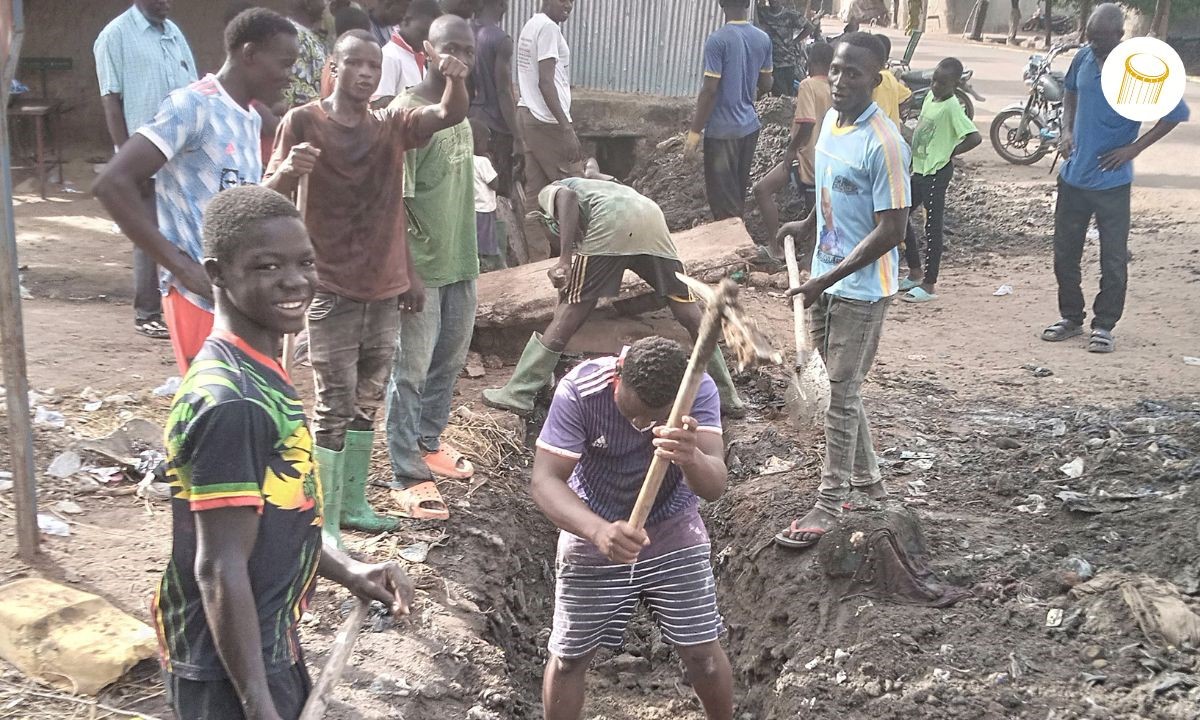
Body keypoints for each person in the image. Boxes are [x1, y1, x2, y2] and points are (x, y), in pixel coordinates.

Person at [152, 185, 415, 720]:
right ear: (217, 273)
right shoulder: (234, 403)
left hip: (264, 639)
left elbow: (278, 513)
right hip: (226, 668)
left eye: (305, 262)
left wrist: (349, 569)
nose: (295, 280)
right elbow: (219, 566)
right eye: (268, 266)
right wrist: (258, 705)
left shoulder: (258, 370)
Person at [264, 30, 469, 544]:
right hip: (330, 285)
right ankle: (323, 521)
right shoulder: (304, 122)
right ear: (333, 68)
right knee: (333, 403)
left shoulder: (390, 125)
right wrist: (288, 169)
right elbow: (266, 198)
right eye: (354, 63)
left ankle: (352, 504)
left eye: (373, 66)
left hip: (382, 289)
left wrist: (454, 79)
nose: (364, 74)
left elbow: (448, 114)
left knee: (367, 400)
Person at [94, 8, 314, 374]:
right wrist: (180, 265)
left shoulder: (249, 116)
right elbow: (111, 183)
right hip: (198, 297)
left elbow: (236, 202)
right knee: (219, 397)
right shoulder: (192, 106)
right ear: (250, 54)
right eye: (284, 64)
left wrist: (286, 175)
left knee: (252, 397)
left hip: (237, 296)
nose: (288, 76)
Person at [532, 336, 734, 720]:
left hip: (673, 531)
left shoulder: (696, 389)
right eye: (634, 412)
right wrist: (598, 532)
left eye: (653, 417)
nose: (641, 425)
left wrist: (691, 457)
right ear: (619, 373)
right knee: (569, 660)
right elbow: (545, 480)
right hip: (593, 530)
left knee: (703, 658)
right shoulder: (580, 390)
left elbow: (714, 486)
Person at [772, 33, 911, 550]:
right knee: (841, 389)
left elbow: (892, 230)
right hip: (825, 278)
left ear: (876, 79)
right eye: (836, 68)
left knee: (839, 395)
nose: (841, 80)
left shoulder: (886, 144)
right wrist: (808, 224)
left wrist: (825, 280)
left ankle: (830, 504)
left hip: (862, 290)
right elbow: (829, 188)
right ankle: (871, 485)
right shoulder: (831, 120)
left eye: (854, 73)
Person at [482, 169, 747, 417]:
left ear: (550, 222)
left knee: (569, 315)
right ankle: (726, 395)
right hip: (652, 219)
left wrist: (565, 259)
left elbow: (568, 198)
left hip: (611, 224)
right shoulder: (604, 188)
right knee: (690, 315)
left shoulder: (552, 191)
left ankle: (520, 393)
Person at [1042, 3, 1189, 353]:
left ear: (1120, 36)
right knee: (1065, 254)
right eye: (1090, 37)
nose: (1093, 44)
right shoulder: (1083, 57)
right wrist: (1066, 130)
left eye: (1100, 39)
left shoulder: (1138, 67)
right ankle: (1071, 317)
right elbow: (1071, 92)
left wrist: (1133, 149)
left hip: (1112, 182)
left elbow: (1175, 113)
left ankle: (1104, 325)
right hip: (1074, 177)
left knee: (1113, 259)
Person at [385, 15, 479, 520]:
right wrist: (407, 273)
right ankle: (405, 472)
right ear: (426, 48)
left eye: (467, 50)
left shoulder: (456, 108)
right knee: (410, 369)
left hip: (460, 258)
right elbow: (393, 203)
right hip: (421, 266)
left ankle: (428, 441)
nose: (459, 58)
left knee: (449, 357)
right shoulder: (407, 116)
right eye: (450, 48)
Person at [94, 0, 198, 342]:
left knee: (183, 230)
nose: (167, 2)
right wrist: (125, 161)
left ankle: (184, 305)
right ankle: (148, 313)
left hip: (181, 155)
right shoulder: (115, 36)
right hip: (144, 155)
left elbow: (193, 89)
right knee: (147, 231)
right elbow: (111, 101)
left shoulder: (173, 33)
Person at [899, 57, 980, 303]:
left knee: (932, 229)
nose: (936, 86)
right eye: (934, 80)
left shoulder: (952, 107)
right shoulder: (930, 99)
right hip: (920, 170)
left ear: (955, 85)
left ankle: (929, 285)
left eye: (942, 83)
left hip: (936, 172)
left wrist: (950, 152)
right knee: (901, 214)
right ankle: (915, 271)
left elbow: (974, 137)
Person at [685, 0, 773, 221]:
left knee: (724, 204)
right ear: (747, 4)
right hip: (749, 128)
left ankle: (733, 239)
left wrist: (694, 133)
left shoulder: (717, 40)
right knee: (736, 195)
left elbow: (709, 91)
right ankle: (736, 233)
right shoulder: (763, 39)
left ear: (721, 4)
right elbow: (766, 83)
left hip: (722, 133)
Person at [516, 0, 584, 257]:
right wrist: (566, 128)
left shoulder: (532, 25)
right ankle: (579, 259)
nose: (568, 5)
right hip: (548, 122)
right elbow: (546, 82)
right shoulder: (548, 29)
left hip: (529, 113)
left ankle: (538, 260)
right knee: (577, 189)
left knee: (535, 194)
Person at [750, 41, 833, 246]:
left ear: (810, 62)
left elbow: (807, 122)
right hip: (826, 161)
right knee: (820, 216)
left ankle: (775, 246)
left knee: (762, 190)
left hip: (806, 157)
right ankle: (803, 253)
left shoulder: (808, 85)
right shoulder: (835, 87)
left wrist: (791, 149)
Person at [471, 0, 526, 203]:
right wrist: (518, 137)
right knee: (499, 193)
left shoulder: (464, 32)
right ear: (501, 5)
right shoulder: (501, 40)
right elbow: (503, 91)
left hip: (470, 120)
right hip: (495, 127)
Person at [372, 0, 441, 103]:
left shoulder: (420, 60)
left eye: (431, 36)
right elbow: (378, 104)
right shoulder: (389, 57)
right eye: (424, 32)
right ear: (405, 21)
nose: (427, 40)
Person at [471, 119, 504, 271]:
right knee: (486, 241)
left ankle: (481, 261)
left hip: (472, 208)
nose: (488, 144)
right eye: (486, 140)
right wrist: (493, 164)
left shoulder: (464, 160)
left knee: (476, 238)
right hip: (484, 209)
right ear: (477, 140)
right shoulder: (482, 161)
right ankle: (487, 265)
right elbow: (494, 184)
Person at [282, 0, 328, 108]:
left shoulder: (308, 35)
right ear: (308, 3)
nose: (325, 4)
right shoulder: (294, 36)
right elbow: (299, 91)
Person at [870, 34, 910, 128]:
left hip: (881, 133)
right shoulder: (889, 76)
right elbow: (907, 95)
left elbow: (879, 115)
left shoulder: (881, 80)